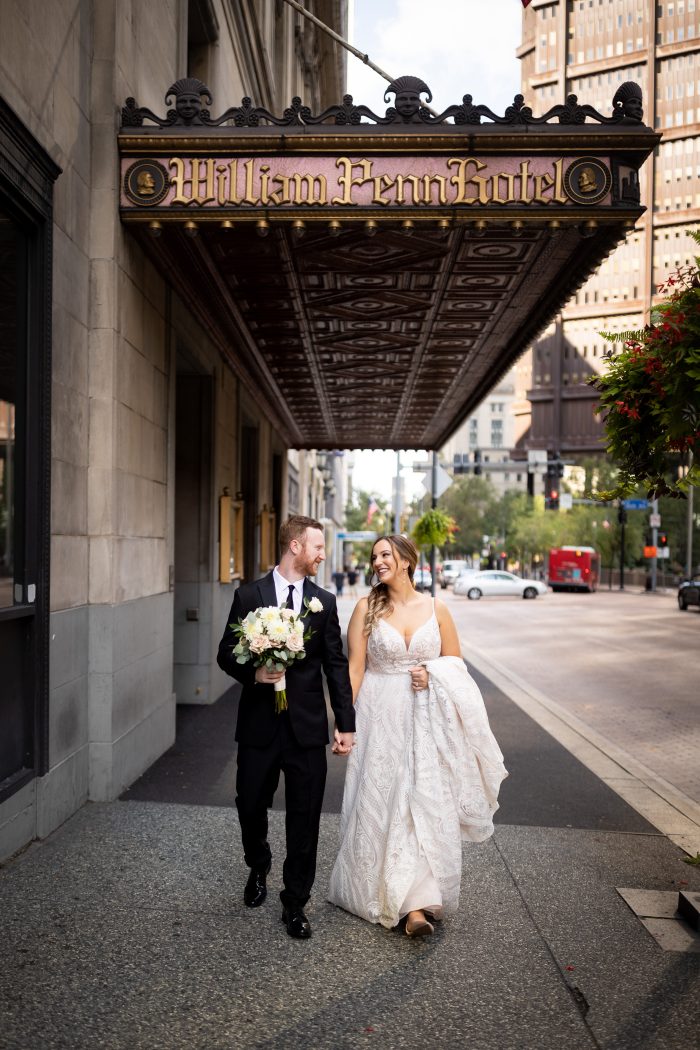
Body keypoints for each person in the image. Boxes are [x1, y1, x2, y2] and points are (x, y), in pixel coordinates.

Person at [328, 534, 507, 937]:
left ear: (407, 560)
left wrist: (433, 673)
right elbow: (354, 669)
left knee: (422, 801)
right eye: (374, 556)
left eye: (385, 555)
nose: (377, 562)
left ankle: (416, 908)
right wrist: (344, 723)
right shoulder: (365, 608)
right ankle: (387, 892)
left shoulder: (436, 608)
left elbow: (455, 663)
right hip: (379, 715)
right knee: (386, 799)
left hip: (426, 718)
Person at [217, 515, 356, 940]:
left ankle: (295, 901)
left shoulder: (324, 602)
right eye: (317, 546)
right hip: (259, 725)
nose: (322, 554)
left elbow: (335, 665)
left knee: (306, 816)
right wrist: (253, 675)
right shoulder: (248, 595)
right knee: (249, 804)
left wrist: (345, 723)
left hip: (307, 728)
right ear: (295, 546)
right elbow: (226, 653)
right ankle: (258, 866)